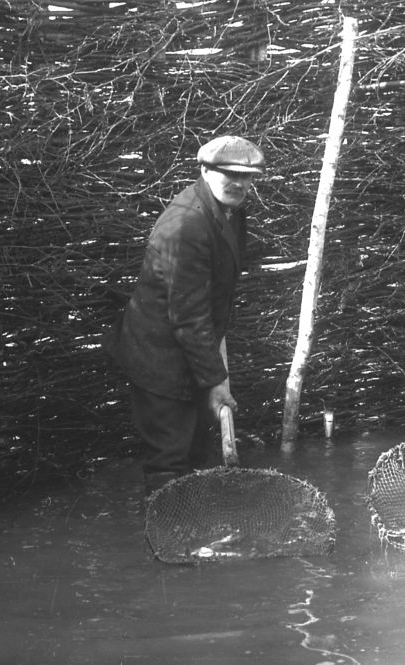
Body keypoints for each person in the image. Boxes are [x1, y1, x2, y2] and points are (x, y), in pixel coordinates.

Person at [111, 135, 265, 495]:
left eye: (248, 176)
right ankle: (168, 541)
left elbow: (216, 299)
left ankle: (195, 537)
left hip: (191, 351)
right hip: (159, 357)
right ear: (205, 171)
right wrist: (215, 382)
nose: (240, 183)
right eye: (230, 174)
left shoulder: (230, 209)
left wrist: (217, 379)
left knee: (196, 455)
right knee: (168, 462)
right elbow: (188, 317)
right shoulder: (186, 226)